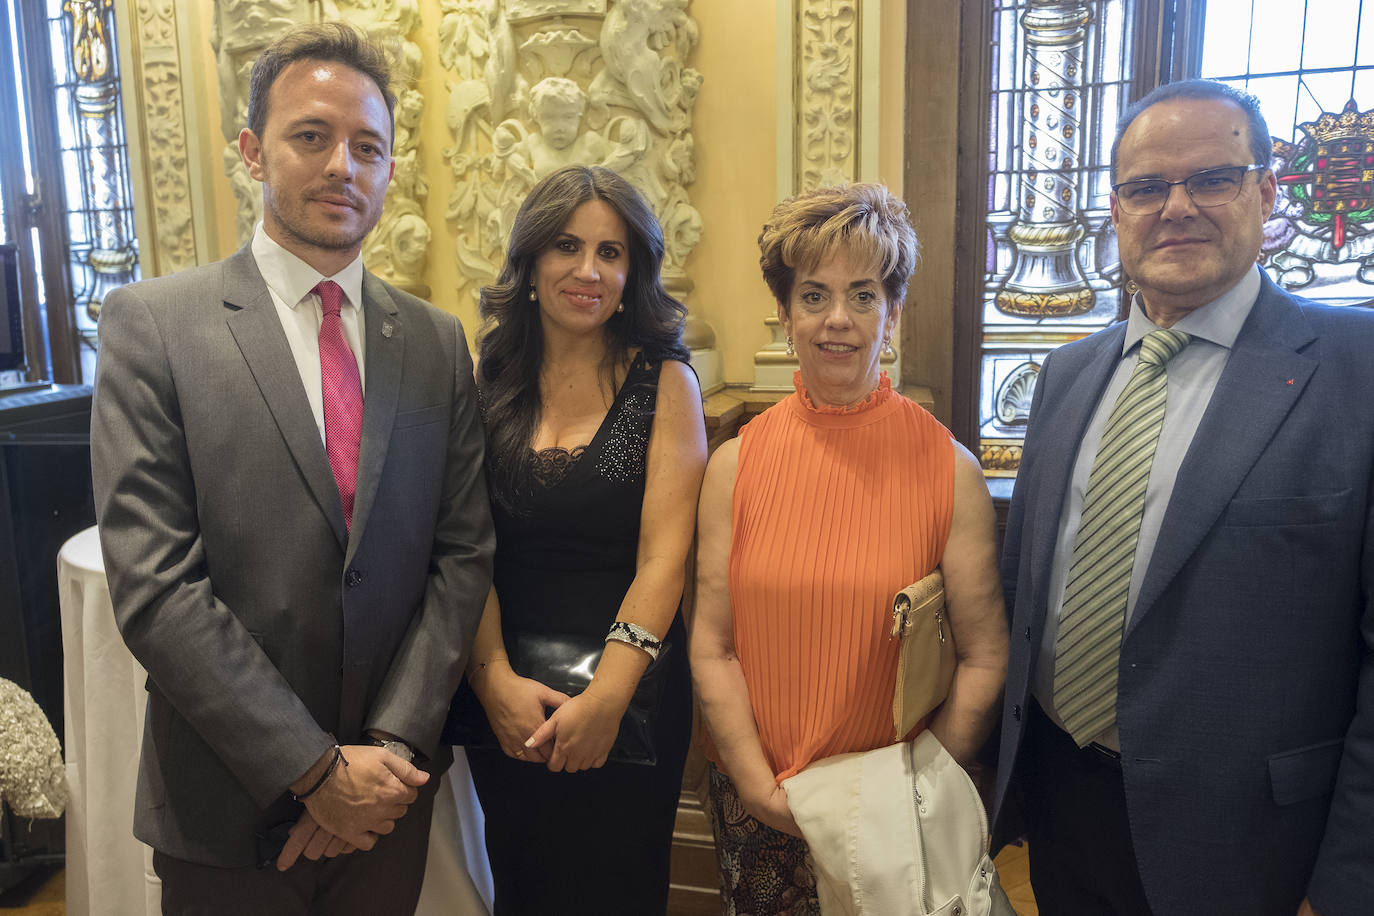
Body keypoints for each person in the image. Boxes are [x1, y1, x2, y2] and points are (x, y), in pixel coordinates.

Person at [90, 23, 494, 914]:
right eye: (311, 136)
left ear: (390, 170)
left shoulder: (433, 342)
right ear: (252, 151)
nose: (342, 166)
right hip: (227, 807)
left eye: (367, 146)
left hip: (388, 803)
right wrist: (312, 771)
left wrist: (382, 755)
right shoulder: (155, 326)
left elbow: (462, 556)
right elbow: (156, 586)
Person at [994, 78, 1374, 916]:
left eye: (1212, 178)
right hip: (1065, 802)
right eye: (1146, 187)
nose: (1177, 208)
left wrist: (1349, 885)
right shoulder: (1065, 376)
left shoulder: (1358, 369)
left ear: (1267, 192)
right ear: (1117, 211)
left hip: (1254, 844)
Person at [690, 183, 1009, 912]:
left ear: (892, 313)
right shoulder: (735, 465)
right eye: (815, 296)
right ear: (785, 312)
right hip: (756, 800)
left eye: (863, 296)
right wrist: (757, 787)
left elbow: (986, 655)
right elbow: (712, 644)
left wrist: (919, 788)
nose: (838, 320)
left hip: (896, 816)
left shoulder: (948, 469)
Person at [460, 165, 706, 915]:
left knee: (618, 893)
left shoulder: (665, 382)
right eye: (568, 246)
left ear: (635, 272)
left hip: (630, 696)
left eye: (612, 252)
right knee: (523, 888)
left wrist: (606, 698)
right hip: (507, 696)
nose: (589, 270)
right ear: (531, 263)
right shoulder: (488, 377)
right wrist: (491, 678)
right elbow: (464, 544)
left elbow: (666, 560)